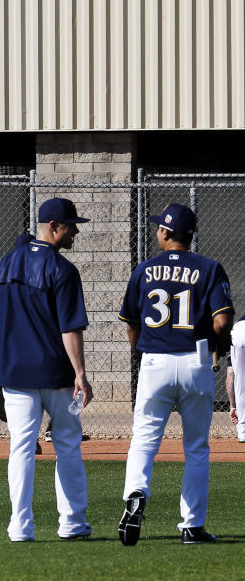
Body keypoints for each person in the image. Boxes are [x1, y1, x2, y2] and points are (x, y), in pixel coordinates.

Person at [117, 203, 234, 546]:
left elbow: (132, 323)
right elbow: (223, 320)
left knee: (144, 439)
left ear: (166, 233)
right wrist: (216, 335)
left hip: (155, 360)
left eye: (159, 228)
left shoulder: (144, 269)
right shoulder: (209, 267)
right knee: (196, 447)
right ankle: (192, 526)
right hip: (196, 361)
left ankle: (136, 495)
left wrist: (142, 353)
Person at [0, 197, 93, 542]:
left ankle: (20, 526)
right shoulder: (63, 270)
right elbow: (69, 329)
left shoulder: (8, 263)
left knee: (21, 448)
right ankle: (72, 524)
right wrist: (81, 373)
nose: (74, 231)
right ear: (52, 227)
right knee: (68, 445)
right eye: (70, 225)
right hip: (57, 374)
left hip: (16, 374)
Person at [227, 317, 245, 443]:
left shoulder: (238, 327)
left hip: (238, 333)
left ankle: (242, 431)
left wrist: (233, 406)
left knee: (240, 383)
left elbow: (230, 380)